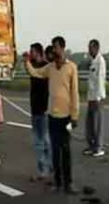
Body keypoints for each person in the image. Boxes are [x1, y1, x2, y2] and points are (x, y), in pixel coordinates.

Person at [24, 36, 80, 194]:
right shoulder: (50, 68)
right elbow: (36, 73)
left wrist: (75, 116)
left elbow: (75, 93)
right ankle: (57, 182)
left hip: (67, 117)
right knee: (55, 151)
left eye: (55, 47)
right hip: (52, 117)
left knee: (66, 150)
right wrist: (27, 62)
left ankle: (69, 183)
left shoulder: (71, 68)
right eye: (52, 47)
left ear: (62, 48)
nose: (53, 50)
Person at [28, 43, 52, 181]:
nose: (30, 54)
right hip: (34, 108)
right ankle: (48, 167)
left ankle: (43, 169)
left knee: (41, 141)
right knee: (43, 140)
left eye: (32, 52)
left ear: (38, 52)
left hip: (43, 108)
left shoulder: (46, 66)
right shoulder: (32, 64)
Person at [83, 39, 107, 157]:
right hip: (91, 97)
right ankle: (92, 146)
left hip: (97, 97)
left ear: (96, 48)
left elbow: (100, 80)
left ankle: (99, 147)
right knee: (90, 123)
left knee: (97, 124)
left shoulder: (100, 61)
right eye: (88, 48)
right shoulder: (93, 61)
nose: (89, 50)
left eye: (91, 48)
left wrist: (98, 98)